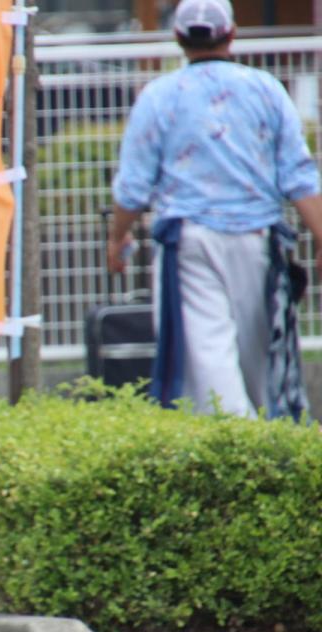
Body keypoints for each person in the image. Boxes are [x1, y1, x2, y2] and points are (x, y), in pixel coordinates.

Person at [108, 0, 322, 419]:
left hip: (190, 241)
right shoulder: (266, 89)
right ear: (231, 34)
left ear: (178, 39)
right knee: (262, 361)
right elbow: (299, 175)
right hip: (260, 241)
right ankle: (273, 453)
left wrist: (118, 238)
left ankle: (231, 448)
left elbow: (133, 186)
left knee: (209, 360)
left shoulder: (159, 95)